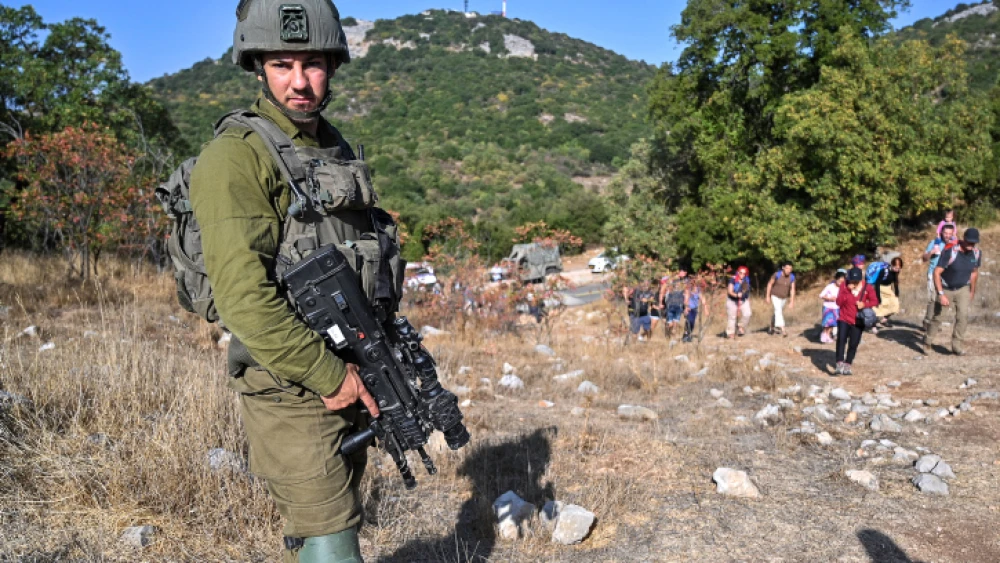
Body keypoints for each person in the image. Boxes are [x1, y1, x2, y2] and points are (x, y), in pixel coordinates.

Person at [189, 2, 381, 560]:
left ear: (333, 66)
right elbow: (243, 299)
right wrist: (329, 376)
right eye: (282, 64)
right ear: (257, 67)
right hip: (291, 383)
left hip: (351, 368)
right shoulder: (235, 158)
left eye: (314, 64)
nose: (300, 82)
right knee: (330, 537)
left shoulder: (331, 149)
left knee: (337, 519)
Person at [924, 228, 982, 356]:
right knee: (939, 317)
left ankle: (957, 346)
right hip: (946, 288)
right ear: (964, 239)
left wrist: (972, 291)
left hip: (963, 288)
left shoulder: (976, 254)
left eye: (974, 243)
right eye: (969, 242)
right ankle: (927, 342)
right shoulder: (951, 252)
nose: (971, 246)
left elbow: (974, 273)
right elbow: (937, 272)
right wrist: (941, 294)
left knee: (963, 317)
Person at [834, 267, 879, 375]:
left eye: (856, 280)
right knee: (841, 340)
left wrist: (864, 304)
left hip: (858, 320)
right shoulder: (844, 286)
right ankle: (839, 363)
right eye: (851, 280)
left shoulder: (867, 287)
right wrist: (847, 291)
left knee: (854, 343)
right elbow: (838, 302)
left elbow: (875, 301)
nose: (853, 282)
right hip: (844, 318)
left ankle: (848, 364)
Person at [921, 223, 957, 330]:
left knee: (940, 299)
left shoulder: (955, 244)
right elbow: (924, 258)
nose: (947, 235)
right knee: (932, 299)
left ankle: (935, 322)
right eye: (945, 233)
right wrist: (931, 252)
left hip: (947, 275)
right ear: (941, 232)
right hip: (933, 273)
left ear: (953, 234)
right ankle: (928, 321)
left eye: (949, 233)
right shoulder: (934, 243)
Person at [871, 257, 904, 330]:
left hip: (888, 289)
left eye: (899, 268)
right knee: (879, 307)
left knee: (895, 305)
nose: (897, 270)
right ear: (892, 265)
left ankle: (884, 320)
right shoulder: (884, 271)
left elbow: (895, 280)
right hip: (880, 288)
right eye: (896, 267)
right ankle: (873, 325)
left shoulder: (896, 271)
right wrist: (878, 297)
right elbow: (877, 284)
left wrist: (897, 291)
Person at [765, 261, 796, 336]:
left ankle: (771, 327)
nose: (788, 270)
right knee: (778, 311)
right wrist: (767, 296)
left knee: (777, 312)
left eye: (790, 269)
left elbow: (792, 289)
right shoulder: (777, 275)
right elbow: (769, 284)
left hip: (784, 298)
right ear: (783, 268)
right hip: (775, 296)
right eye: (787, 268)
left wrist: (791, 301)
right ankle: (783, 329)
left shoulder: (792, 277)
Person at [819, 270, 845, 344]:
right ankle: (823, 335)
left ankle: (828, 336)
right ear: (836, 279)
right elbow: (821, 295)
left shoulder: (843, 288)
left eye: (842, 281)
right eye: (839, 281)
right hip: (828, 307)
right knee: (827, 322)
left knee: (833, 323)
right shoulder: (830, 286)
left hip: (836, 308)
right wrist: (829, 298)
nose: (840, 283)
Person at [659, 269, 687, 338]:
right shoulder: (669, 282)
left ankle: (672, 338)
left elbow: (686, 294)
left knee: (675, 324)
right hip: (670, 304)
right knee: (670, 324)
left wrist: (686, 305)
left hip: (679, 304)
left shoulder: (683, 283)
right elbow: (662, 292)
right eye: (676, 275)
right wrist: (660, 302)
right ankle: (668, 334)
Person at [726, 266, 752, 339]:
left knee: (748, 314)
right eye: (741, 273)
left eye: (744, 273)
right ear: (738, 272)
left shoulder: (746, 280)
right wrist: (736, 295)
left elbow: (746, 290)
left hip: (743, 300)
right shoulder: (733, 279)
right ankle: (730, 333)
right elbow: (730, 291)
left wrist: (744, 295)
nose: (742, 275)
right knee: (732, 317)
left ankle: (740, 326)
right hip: (732, 300)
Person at [682, 278, 707, 343]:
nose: (693, 285)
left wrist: (705, 309)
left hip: (694, 309)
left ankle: (689, 334)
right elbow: (686, 299)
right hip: (689, 308)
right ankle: (685, 335)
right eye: (692, 284)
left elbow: (703, 299)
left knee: (692, 323)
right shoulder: (688, 290)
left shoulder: (698, 291)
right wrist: (686, 307)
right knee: (689, 321)